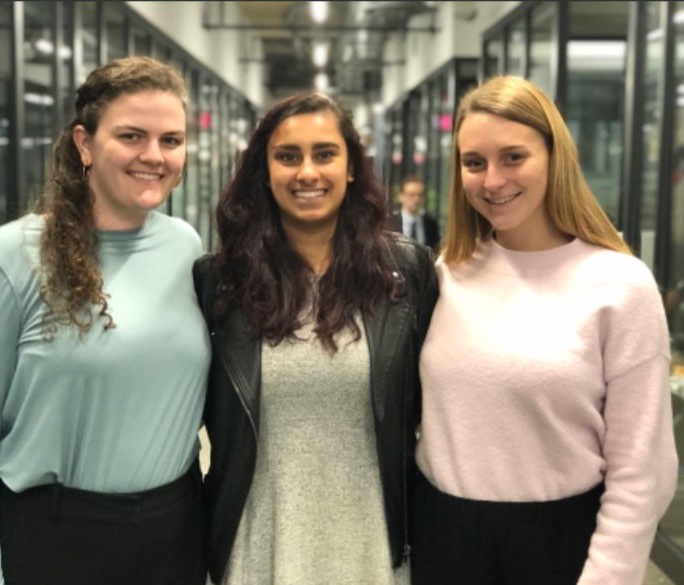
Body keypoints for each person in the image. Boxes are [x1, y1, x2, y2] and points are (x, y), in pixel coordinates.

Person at [0, 56, 210, 585]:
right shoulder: (12, 257)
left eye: (171, 140)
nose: (154, 156)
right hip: (56, 540)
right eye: (132, 136)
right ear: (84, 143)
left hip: (173, 533)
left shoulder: (186, 246)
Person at [411, 75, 679, 585]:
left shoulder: (619, 286)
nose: (492, 180)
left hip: (559, 546)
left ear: (556, 158)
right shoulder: (449, 272)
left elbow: (643, 470)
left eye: (513, 157)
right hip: (441, 537)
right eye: (474, 163)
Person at [193, 91, 437, 585]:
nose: (307, 172)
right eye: (288, 156)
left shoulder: (407, 274)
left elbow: (431, 414)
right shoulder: (220, 282)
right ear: (265, 171)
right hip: (257, 552)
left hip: (373, 552)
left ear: (351, 168)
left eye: (325, 154)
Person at [387, 175, 440, 249]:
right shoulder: (389, 223)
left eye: (420, 195)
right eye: (411, 195)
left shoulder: (431, 224)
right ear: (401, 196)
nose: (416, 199)